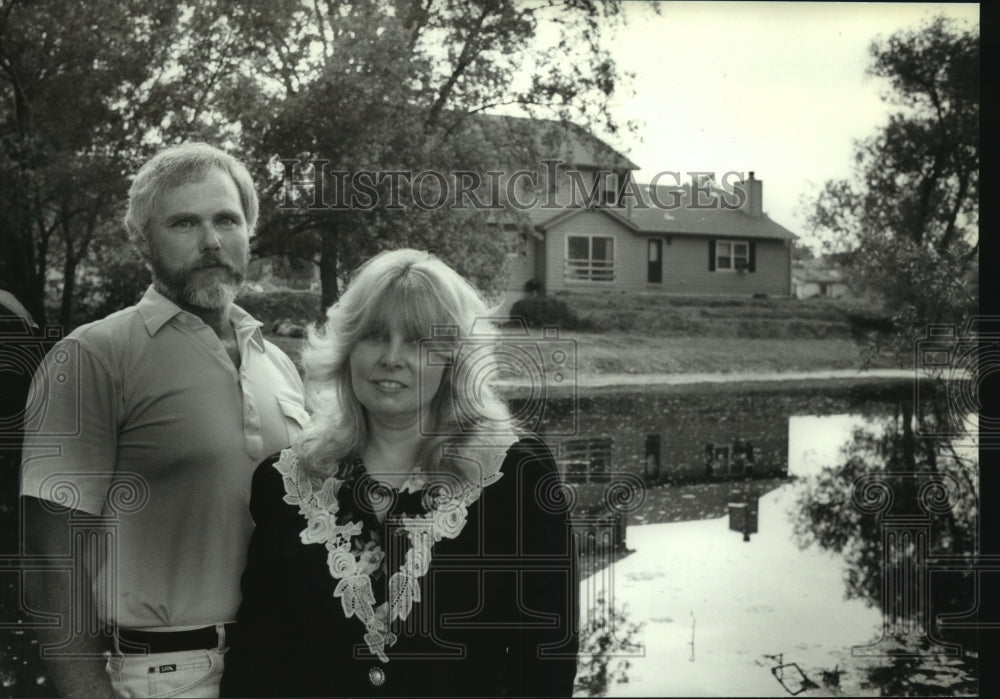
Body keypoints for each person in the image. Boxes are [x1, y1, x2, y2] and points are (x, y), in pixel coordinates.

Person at [221, 249, 579, 697]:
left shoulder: (515, 474)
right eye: (374, 335)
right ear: (347, 348)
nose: (392, 357)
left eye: (417, 341)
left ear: (455, 358)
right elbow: (258, 658)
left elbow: (545, 665)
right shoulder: (288, 483)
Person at [20, 143, 306, 698]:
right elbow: (51, 560)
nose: (211, 241)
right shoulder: (92, 358)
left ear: (249, 230)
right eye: (184, 223)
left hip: (282, 663)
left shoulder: (279, 366)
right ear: (143, 242)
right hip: (165, 677)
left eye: (227, 219)